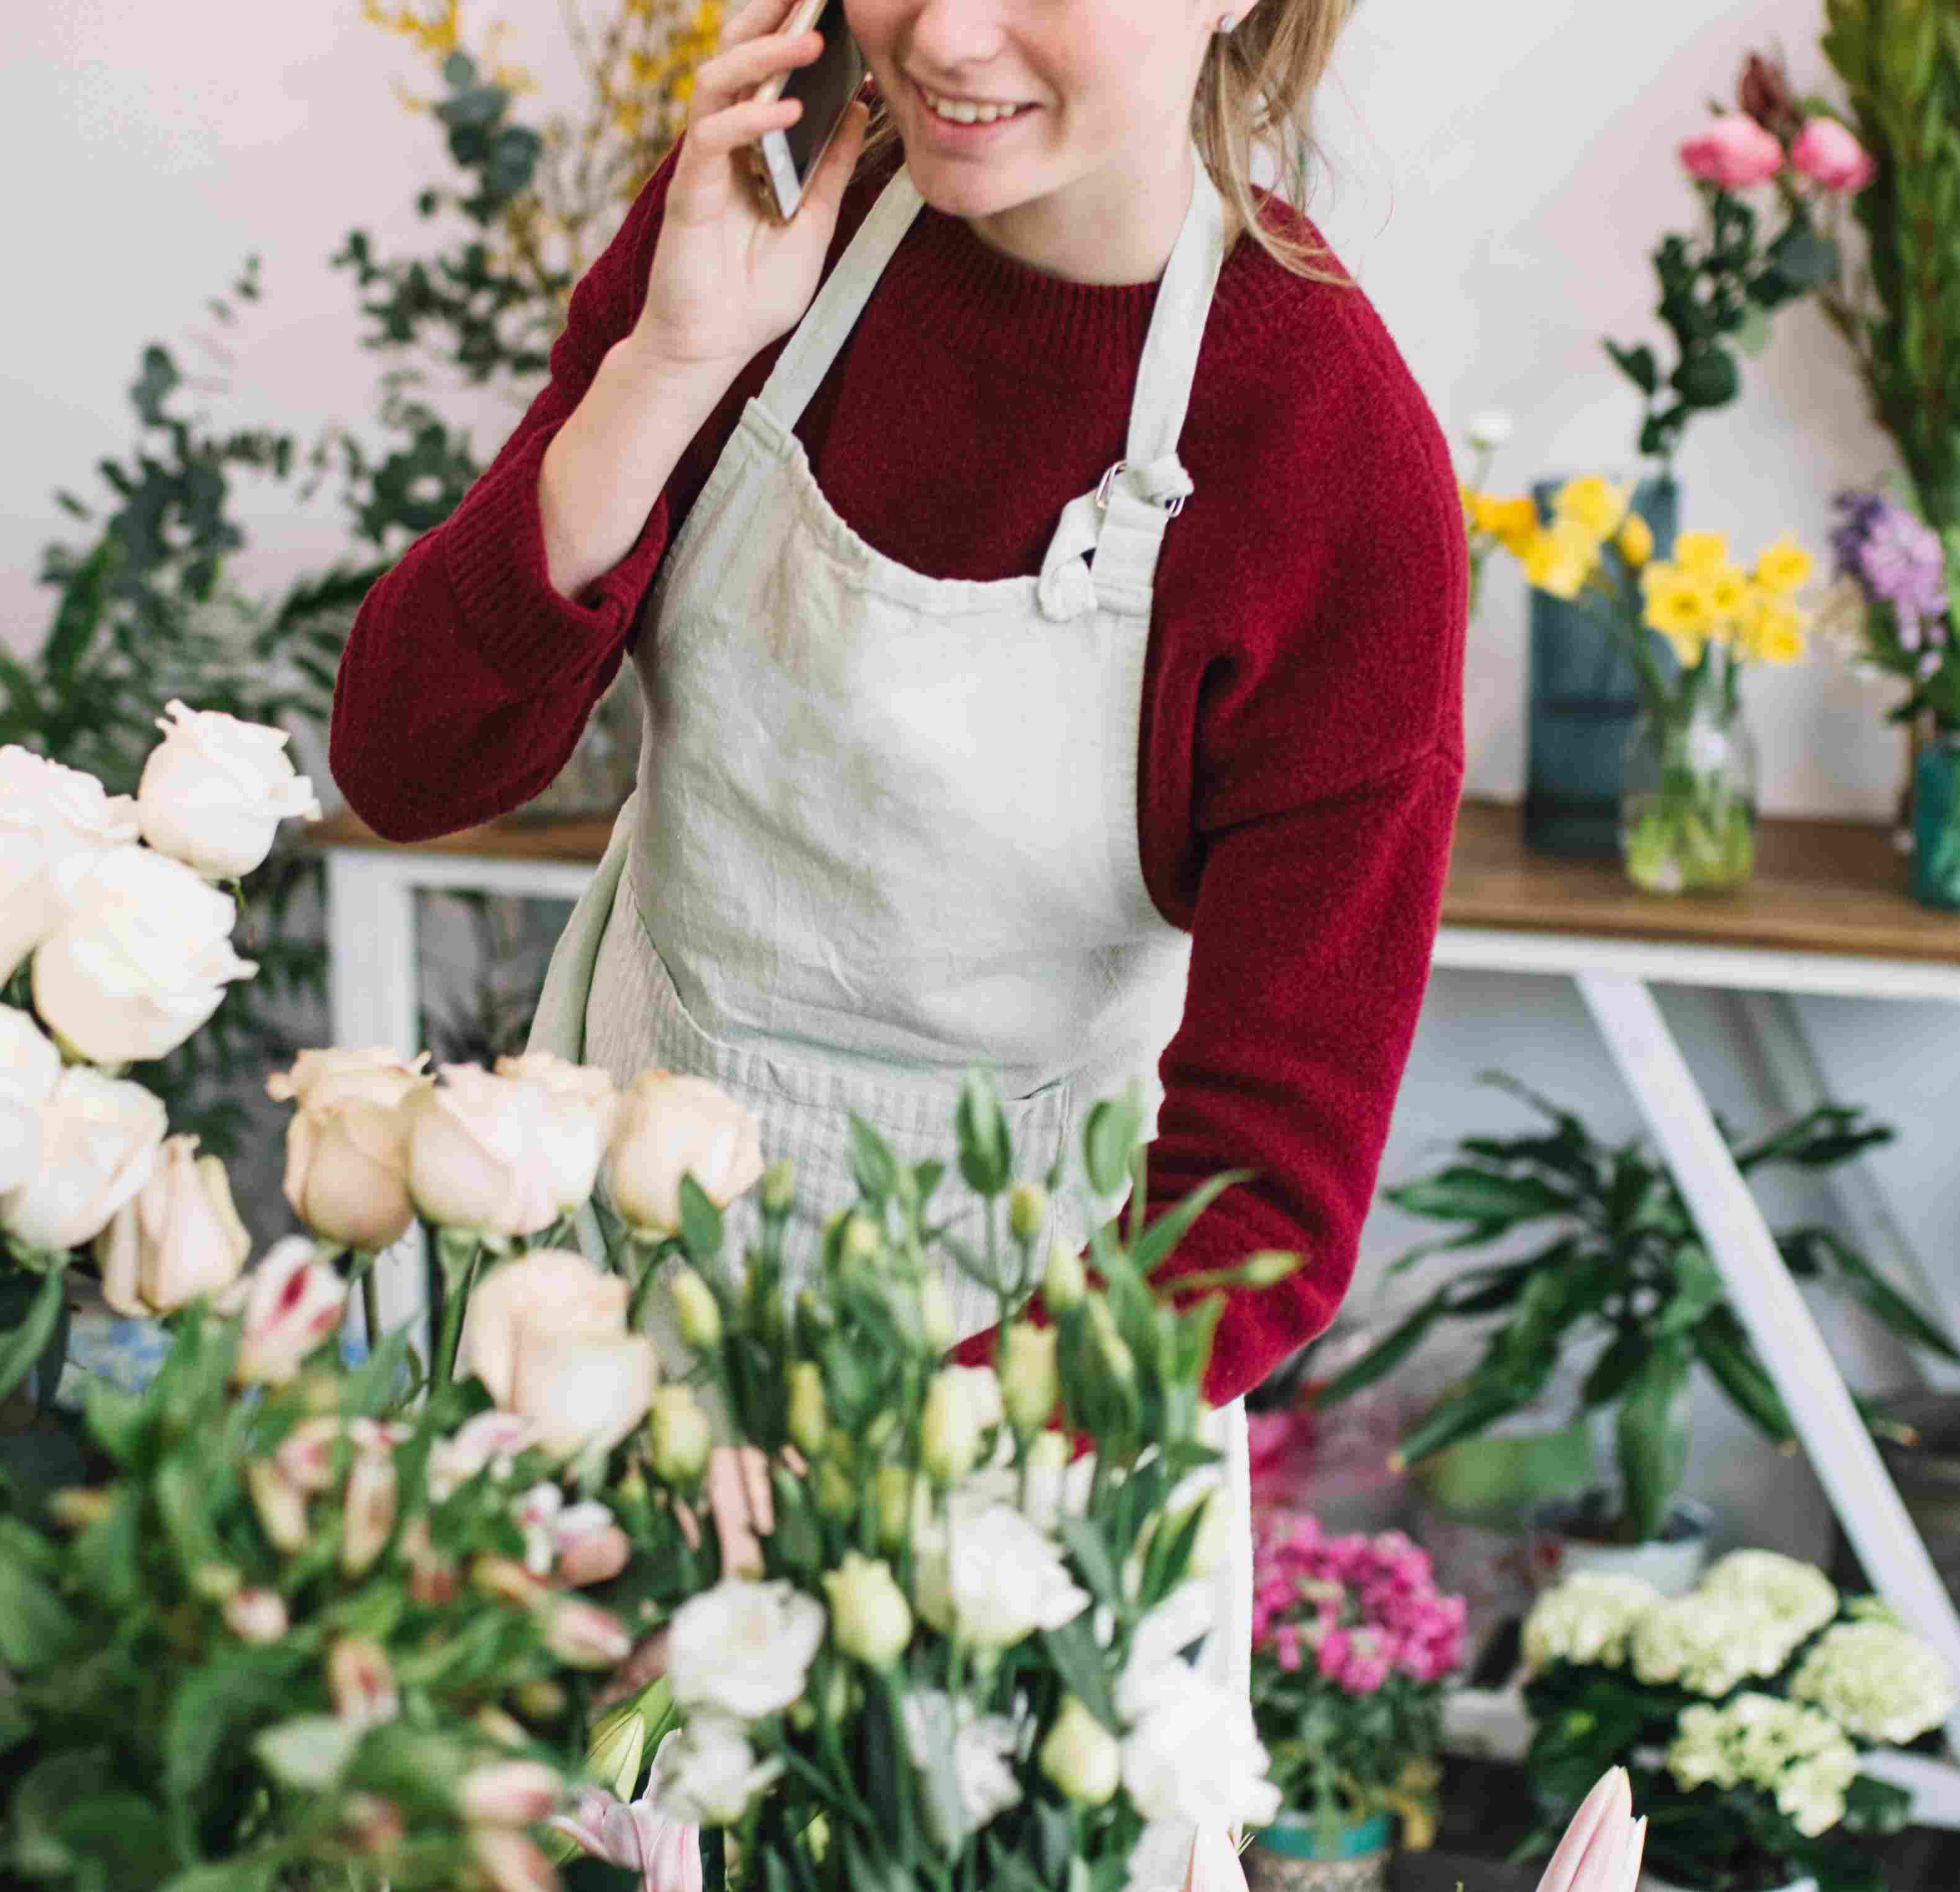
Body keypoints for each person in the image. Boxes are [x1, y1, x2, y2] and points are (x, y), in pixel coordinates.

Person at [333, 0, 1461, 1425]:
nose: (944, 35)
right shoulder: (754, 234)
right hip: (591, 1324)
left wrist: (869, 1489)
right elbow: (404, 764)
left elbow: (1256, 1217)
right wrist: (668, 366)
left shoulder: (1329, 462)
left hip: (1011, 1430)